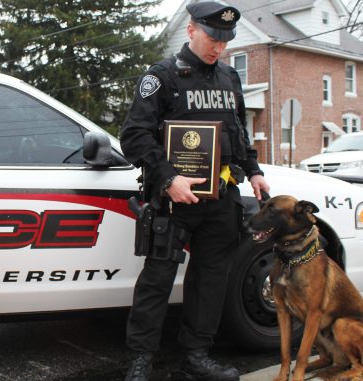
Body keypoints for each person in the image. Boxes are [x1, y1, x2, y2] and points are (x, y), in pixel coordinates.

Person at [120, 2, 270, 381]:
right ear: (191, 30)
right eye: (212, 37)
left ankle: (196, 357)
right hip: (173, 198)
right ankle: (140, 362)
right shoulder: (163, 76)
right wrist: (169, 178)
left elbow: (237, 129)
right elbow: (134, 135)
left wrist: (253, 171)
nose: (218, 46)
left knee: (210, 280)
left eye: (225, 40)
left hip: (220, 196)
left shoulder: (229, 77)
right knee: (156, 280)